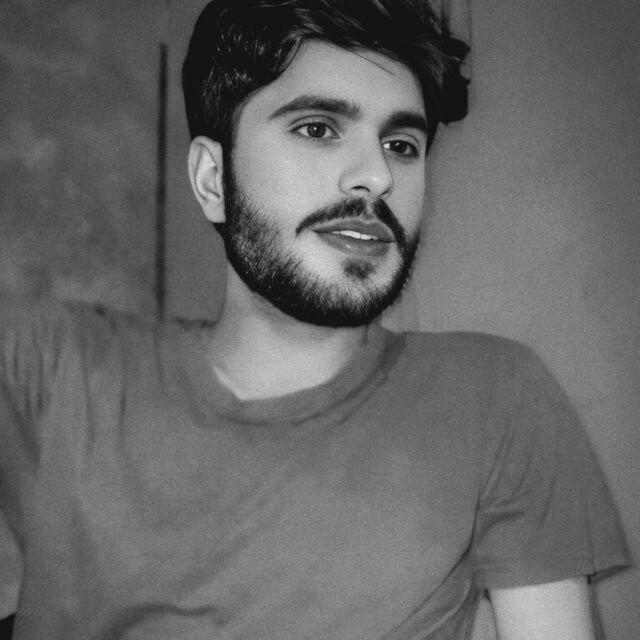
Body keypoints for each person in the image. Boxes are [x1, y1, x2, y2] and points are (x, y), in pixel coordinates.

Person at [0, 1, 630, 638]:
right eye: (318, 128)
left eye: (401, 145)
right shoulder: (51, 367)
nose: (377, 176)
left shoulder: (495, 396)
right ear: (213, 180)